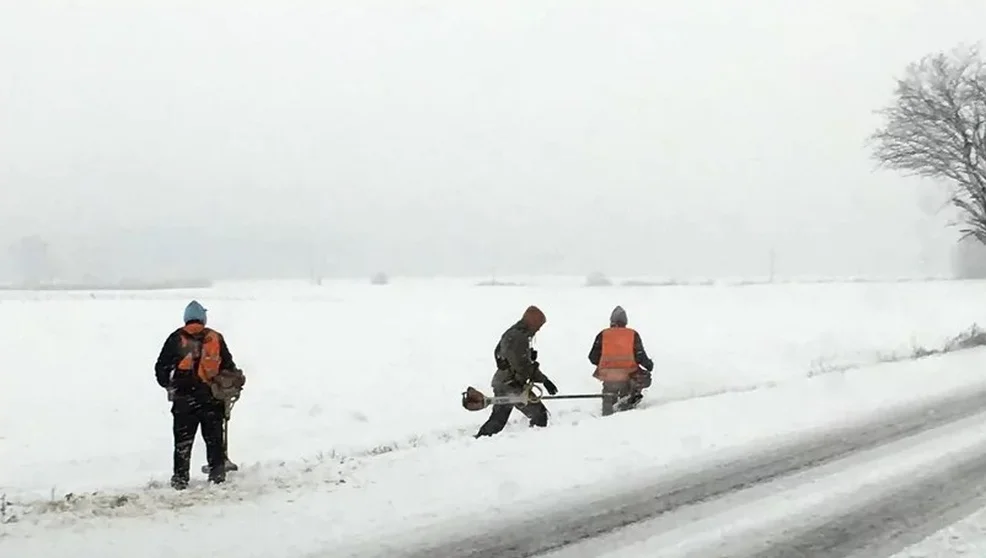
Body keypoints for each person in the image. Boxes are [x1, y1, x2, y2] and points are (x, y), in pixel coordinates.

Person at [154, 300, 245, 489]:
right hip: (211, 399)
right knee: (214, 439)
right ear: (203, 318)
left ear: (186, 318)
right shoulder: (215, 338)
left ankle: (180, 479)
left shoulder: (176, 338)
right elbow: (228, 366)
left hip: (183, 400)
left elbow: (161, 368)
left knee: (183, 442)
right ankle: (217, 474)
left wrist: (170, 385)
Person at [475, 305, 559, 438]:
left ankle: (480, 441)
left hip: (505, 383)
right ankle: (533, 443)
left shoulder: (514, 333)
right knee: (539, 415)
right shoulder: (519, 337)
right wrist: (544, 380)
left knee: (498, 420)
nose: (538, 329)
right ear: (532, 322)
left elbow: (499, 353)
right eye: (538, 325)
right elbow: (523, 366)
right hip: (510, 385)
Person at [587, 305, 654, 416]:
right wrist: (649, 366)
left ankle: (606, 415)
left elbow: (593, 357)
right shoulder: (632, 334)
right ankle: (628, 408)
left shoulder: (603, 334)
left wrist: (606, 364)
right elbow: (640, 356)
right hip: (628, 376)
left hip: (608, 377)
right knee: (639, 383)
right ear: (625, 321)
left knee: (608, 400)